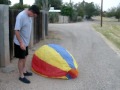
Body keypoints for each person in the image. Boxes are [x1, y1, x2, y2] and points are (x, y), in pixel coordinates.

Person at [14, 5, 40, 84]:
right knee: (21, 59)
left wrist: (26, 42)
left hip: (25, 43)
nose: (33, 17)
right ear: (31, 11)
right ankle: (21, 76)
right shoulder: (21, 16)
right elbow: (16, 31)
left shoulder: (29, 16)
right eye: (33, 15)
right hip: (20, 43)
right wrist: (21, 43)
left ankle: (24, 71)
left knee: (25, 57)